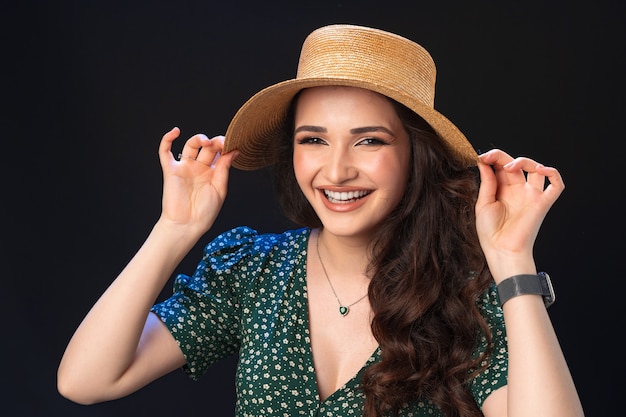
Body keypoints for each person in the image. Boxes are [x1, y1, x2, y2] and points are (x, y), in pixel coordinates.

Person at [57, 24, 584, 416]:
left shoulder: (470, 294)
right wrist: (174, 230)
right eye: (313, 139)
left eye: (369, 140)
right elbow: (85, 380)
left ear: (415, 155)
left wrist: (514, 260)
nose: (336, 169)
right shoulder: (253, 271)